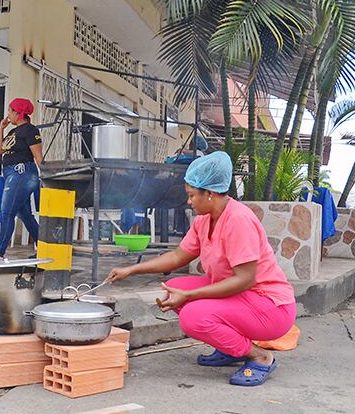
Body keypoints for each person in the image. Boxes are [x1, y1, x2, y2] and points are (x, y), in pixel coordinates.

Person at [105, 151, 296, 386]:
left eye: (192, 195)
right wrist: (131, 270)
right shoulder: (204, 220)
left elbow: (245, 279)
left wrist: (191, 296)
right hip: (245, 296)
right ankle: (232, 348)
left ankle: (260, 356)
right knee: (173, 289)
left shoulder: (238, 220)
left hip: (271, 307)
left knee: (192, 316)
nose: (189, 201)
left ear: (210, 193)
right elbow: (178, 256)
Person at [0, 98, 43, 262]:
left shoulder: (30, 130)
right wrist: (1, 128)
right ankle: (45, 248)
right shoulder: (13, 132)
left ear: (18, 113)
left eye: (10, 111)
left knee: (7, 211)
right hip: (12, 174)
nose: (8, 114)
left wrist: (46, 177)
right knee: (25, 215)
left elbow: (38, 156)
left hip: (22, 173)